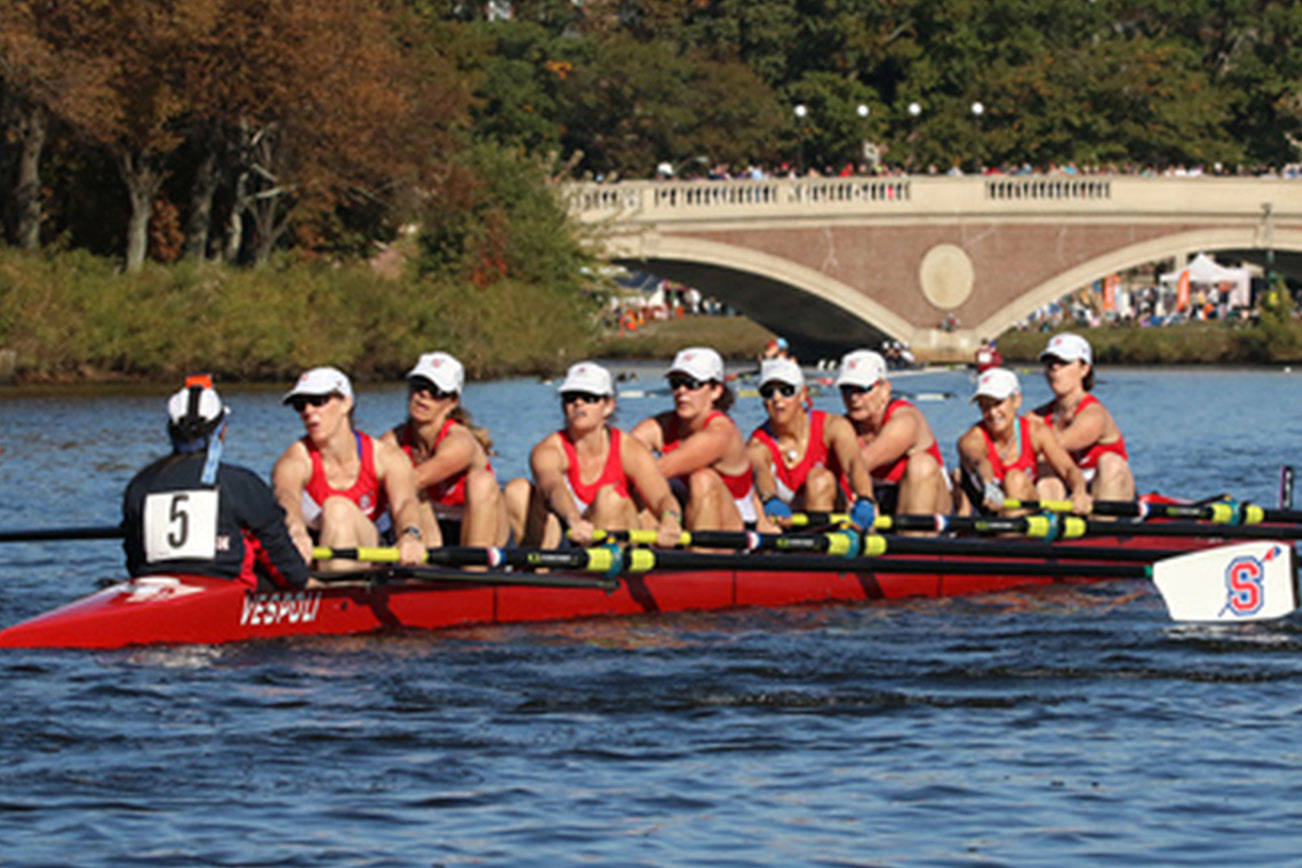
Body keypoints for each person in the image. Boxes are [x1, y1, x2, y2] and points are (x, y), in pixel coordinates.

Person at [122, 374, 309, 589]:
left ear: (170, 431)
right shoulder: (241, 485)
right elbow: (288, 569)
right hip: (228, 599)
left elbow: (134, 562)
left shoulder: (140, 486)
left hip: (157, 597)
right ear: (222, 431)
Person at [503, 361, 682, 548]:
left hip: (618, 535)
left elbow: (662, 496)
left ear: (608, 406)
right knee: (517, 491)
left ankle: (610, 571)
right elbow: (552, 487)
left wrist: (670, 520)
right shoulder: (547, 451)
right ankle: (537, 572)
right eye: (570, 397)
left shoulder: (629, 449)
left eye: (588, 397)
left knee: (609, 498)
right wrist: (573, 519)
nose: (578, 403)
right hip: (571, 533)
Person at [271, 366, 426, 572]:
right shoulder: (294, 460)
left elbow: (405, 504)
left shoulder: (386, 457)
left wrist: (410, 535)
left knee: (338, 509)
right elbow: (286, 497)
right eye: (301, 405)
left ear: (346, 403)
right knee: (336, 509)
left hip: (374, 553)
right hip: (316, 554)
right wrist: (296, 530)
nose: (308, 411)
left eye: (319, 401)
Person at [381, 352, 511, 548]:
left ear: (452, 402)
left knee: (480, 481)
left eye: (435, 391)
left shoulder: (459, 441)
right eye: (418, 385)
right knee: (410, 489)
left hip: (482, 533)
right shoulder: (393, 440)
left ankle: (474, 572)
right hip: (431, 533)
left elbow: (417, 479)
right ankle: (424, 571)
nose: (423, 395)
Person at [630, 347, 760, 531]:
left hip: (733, 533)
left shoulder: (720, 434)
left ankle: (698, 555)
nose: (682, 391)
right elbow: (620, 453)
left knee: (701, 479)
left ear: (715, 391)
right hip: (686, 521)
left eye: (692, 384)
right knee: (633, 487)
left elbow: (658, 470)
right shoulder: (661, 425)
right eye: (676, 383)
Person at [746, 356, 876, 527]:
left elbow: (854, 463)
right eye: (768, 393)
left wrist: (865, 498)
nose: (777, 399)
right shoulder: (757, 445)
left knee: (818, 480)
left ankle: (821, 546)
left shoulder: (833, 427)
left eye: (786, 391)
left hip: (839, 518)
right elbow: (762, 473)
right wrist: (769, 499)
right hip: (789, 526)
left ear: (803, 395)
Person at [956, 367, 1092, 515]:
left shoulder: (1036, 432)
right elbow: (979, 462)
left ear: (1017, 401)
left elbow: (1069, 469)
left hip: (1026, 510)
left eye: (998, 403)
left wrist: (1080, 492)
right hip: (989, 515)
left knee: (1015, 479)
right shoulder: (971, 439)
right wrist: (989, 486)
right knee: (1014, 479)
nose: (992, 413)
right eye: (984, 405)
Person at [836, 349, 951, 515]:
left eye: (863, 389)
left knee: (921, 465)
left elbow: (862, 463)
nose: (854, 398)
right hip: (879, 499)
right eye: (847, 389)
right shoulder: (843, 426)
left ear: (885, 390)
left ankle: (911, 539)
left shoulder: (905, 420)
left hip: (926, 503)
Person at [1033, 333, 1135, 501]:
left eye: (1064, 362)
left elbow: (1053, 445)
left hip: (1110, 494)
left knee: (1110, 463)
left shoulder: (1094, 415)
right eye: (1050, 363)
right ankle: (1052, 520)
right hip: (1070, 495)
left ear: (1084, 369)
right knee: (1045, 469)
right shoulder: (1037, 416)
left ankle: (1102, 525)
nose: (1055, 368)